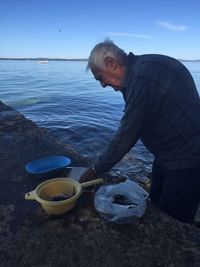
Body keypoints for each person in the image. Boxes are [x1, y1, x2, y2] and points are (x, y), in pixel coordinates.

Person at [79, 39, 200, 224]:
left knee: (173, 221)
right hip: (166, 155)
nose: (102, 85)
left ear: (111, 63)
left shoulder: (141, 79)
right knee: (156, 206)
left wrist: (95, 169)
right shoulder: (144, 68)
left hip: (186, 159)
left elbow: (127, 133)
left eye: (100, 78)